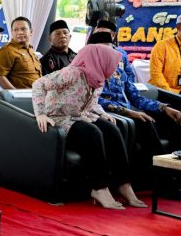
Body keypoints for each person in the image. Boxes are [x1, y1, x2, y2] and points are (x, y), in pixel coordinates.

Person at [87, 31, 181, 201]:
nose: (109, 55)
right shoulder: (87, 71)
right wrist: (127, 111)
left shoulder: (118, 68)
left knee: (174, 120)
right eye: (104, 51)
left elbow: (135, 97)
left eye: (111, 50)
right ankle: (165, 182)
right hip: (111, 115)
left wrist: (163, 108)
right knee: (144, 122)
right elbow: (93, 102)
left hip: (129, 111)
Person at [32, 44, 146, 210]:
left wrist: (101, 114)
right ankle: (99, 188)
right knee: (93, 134)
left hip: (82, 115)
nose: (114, 67)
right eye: (111, 62)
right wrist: (40, 113)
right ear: (100, 60)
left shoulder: (98, 77)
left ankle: (124, 184)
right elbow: (39, 85)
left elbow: (90, 101)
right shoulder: (72, 73)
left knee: (112, 130)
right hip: (60, 118)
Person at [0, 17, 42, 89]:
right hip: (23, 97)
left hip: (38, 95)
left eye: (23, 29)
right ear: (12, 33)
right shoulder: (7, 51)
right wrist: (15, 93)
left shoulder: (30, 49)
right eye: (16, 30)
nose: (20, 32)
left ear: (31, 32)